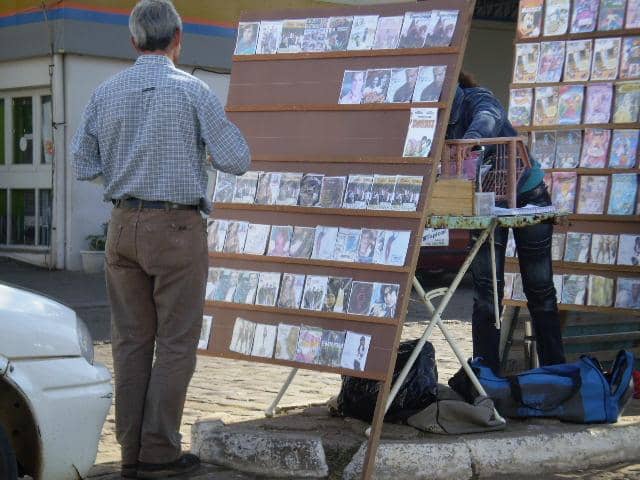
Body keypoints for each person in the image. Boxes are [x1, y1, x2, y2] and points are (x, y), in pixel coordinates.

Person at [71, 1, 251, 477]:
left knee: (129, 342)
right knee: (175, 341)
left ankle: (130, 453)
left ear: (133, 41)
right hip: (176, 228)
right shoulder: (193, 91)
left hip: (123, 225)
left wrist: (125, 172)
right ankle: (159, 452)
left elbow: (82, 162)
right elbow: (236, 158)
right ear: (179, 38)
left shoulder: (105, 92)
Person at [448, 71, 566, 374]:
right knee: (486, 292)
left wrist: (471, 140)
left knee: (539, 289)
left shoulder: (477, 98)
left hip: (528, 195)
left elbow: (489, 115)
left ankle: (556, 372)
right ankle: (486, 375)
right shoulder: (432, 118)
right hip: (484, 203)